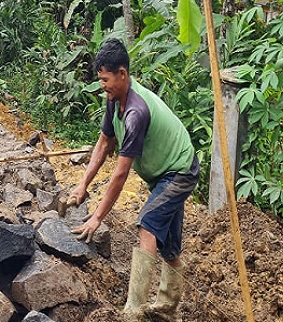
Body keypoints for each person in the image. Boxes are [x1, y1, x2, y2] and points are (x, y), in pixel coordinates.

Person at [68, 38, 198, 321]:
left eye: (105, 79)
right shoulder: (114, 100)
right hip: (165, 173)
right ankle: (166, 309)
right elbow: (103, 144)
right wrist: (82, 184)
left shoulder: (136, 113)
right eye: (100, 79)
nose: (102, 85)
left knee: (147, 225)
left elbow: (120, 174)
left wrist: (97, 218)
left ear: (123, 74)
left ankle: (134, 312)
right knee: (170, 247)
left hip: (179, 171)